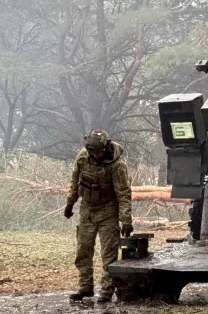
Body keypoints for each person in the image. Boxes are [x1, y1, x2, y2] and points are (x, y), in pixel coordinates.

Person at [64, 129, 133, 303]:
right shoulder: (82, 157)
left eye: (98, 151)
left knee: (108, 255)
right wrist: (70, 203)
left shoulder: (117, 166)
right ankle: (85, 287)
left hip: (108, 212)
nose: (95, 155)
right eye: (92, 152)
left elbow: (123, 193)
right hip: (87, 210)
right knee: (83, 251)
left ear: (106, 147)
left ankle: (107, 290)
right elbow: (75, 181)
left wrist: (125, 220)